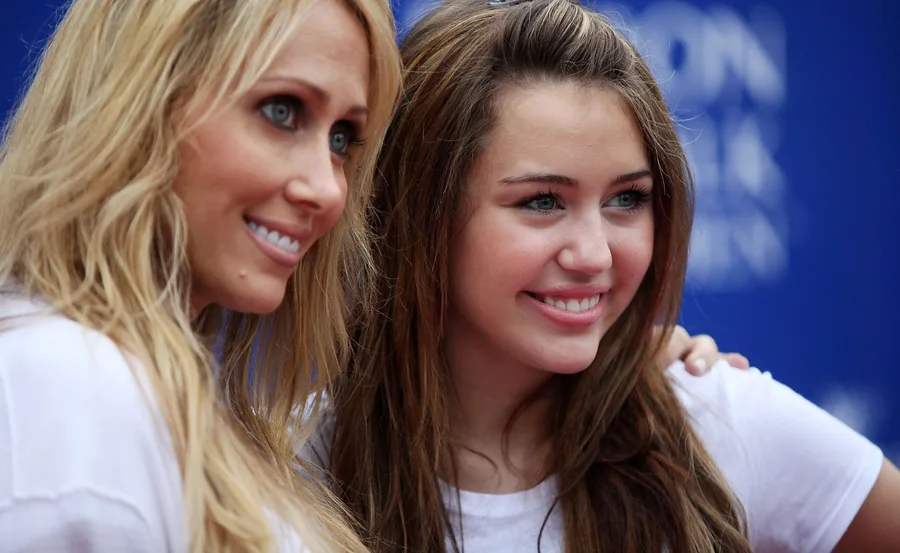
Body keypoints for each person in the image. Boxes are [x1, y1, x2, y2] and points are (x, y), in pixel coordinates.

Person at [318, 0, 900, 551]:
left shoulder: (717, 421)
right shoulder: (292, 462)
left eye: (627, 198)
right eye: (542, 201)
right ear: (419, 211)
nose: (595, 255)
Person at [0, 0, 401, 551]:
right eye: (282, 111)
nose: (329, 190)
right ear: (140, 97)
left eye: (341, 140)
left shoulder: (143, 391)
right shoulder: (72, 388)